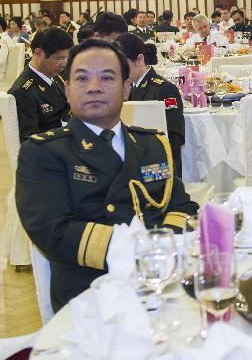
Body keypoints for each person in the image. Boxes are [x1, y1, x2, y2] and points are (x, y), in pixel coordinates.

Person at [16, 39, 198, 310]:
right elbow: (52, 231)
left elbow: (182, 207)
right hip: (93, 295)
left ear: (126, 89)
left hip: (165, 283)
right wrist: (138, 251)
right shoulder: (44, 153)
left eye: (107, 77)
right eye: (81, 78)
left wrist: (160, 253)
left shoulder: (152, 145)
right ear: (67, 90)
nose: (94, 87)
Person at [117, 33, 186, 178]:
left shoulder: (164, 90)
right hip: (134, 162)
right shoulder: (129, 86)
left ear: (140, 59)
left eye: (123, 65)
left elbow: (175, 137)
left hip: (159, 168)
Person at [9, 27, 74, 142]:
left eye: (66, 58)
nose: (63, 64)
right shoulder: (23, 92)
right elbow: (29, 142)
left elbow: (66, 111)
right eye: (59, 58)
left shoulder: (55, 77)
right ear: (39, 53)